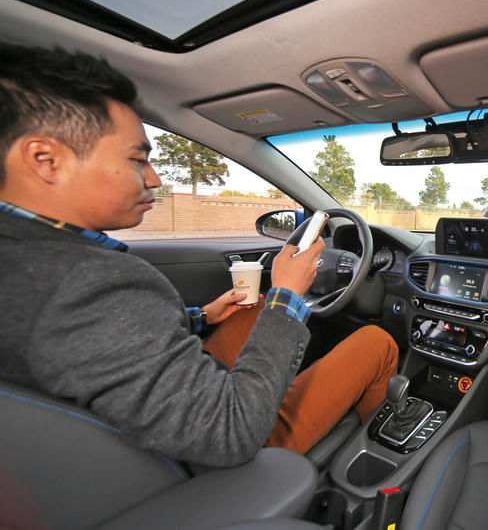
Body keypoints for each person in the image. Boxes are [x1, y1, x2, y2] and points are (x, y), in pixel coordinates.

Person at [0, 43, 398, 467]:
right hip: (212, 457)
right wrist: (289, 295)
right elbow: (230, 431)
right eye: (137, 159)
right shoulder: (84, 283)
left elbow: (97, 347)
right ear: (45, 159)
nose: (155, 178)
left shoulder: (27, 262)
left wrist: (201, 317)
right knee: (377, 342)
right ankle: (367, 455)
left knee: (252, 308)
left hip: (125, 440)